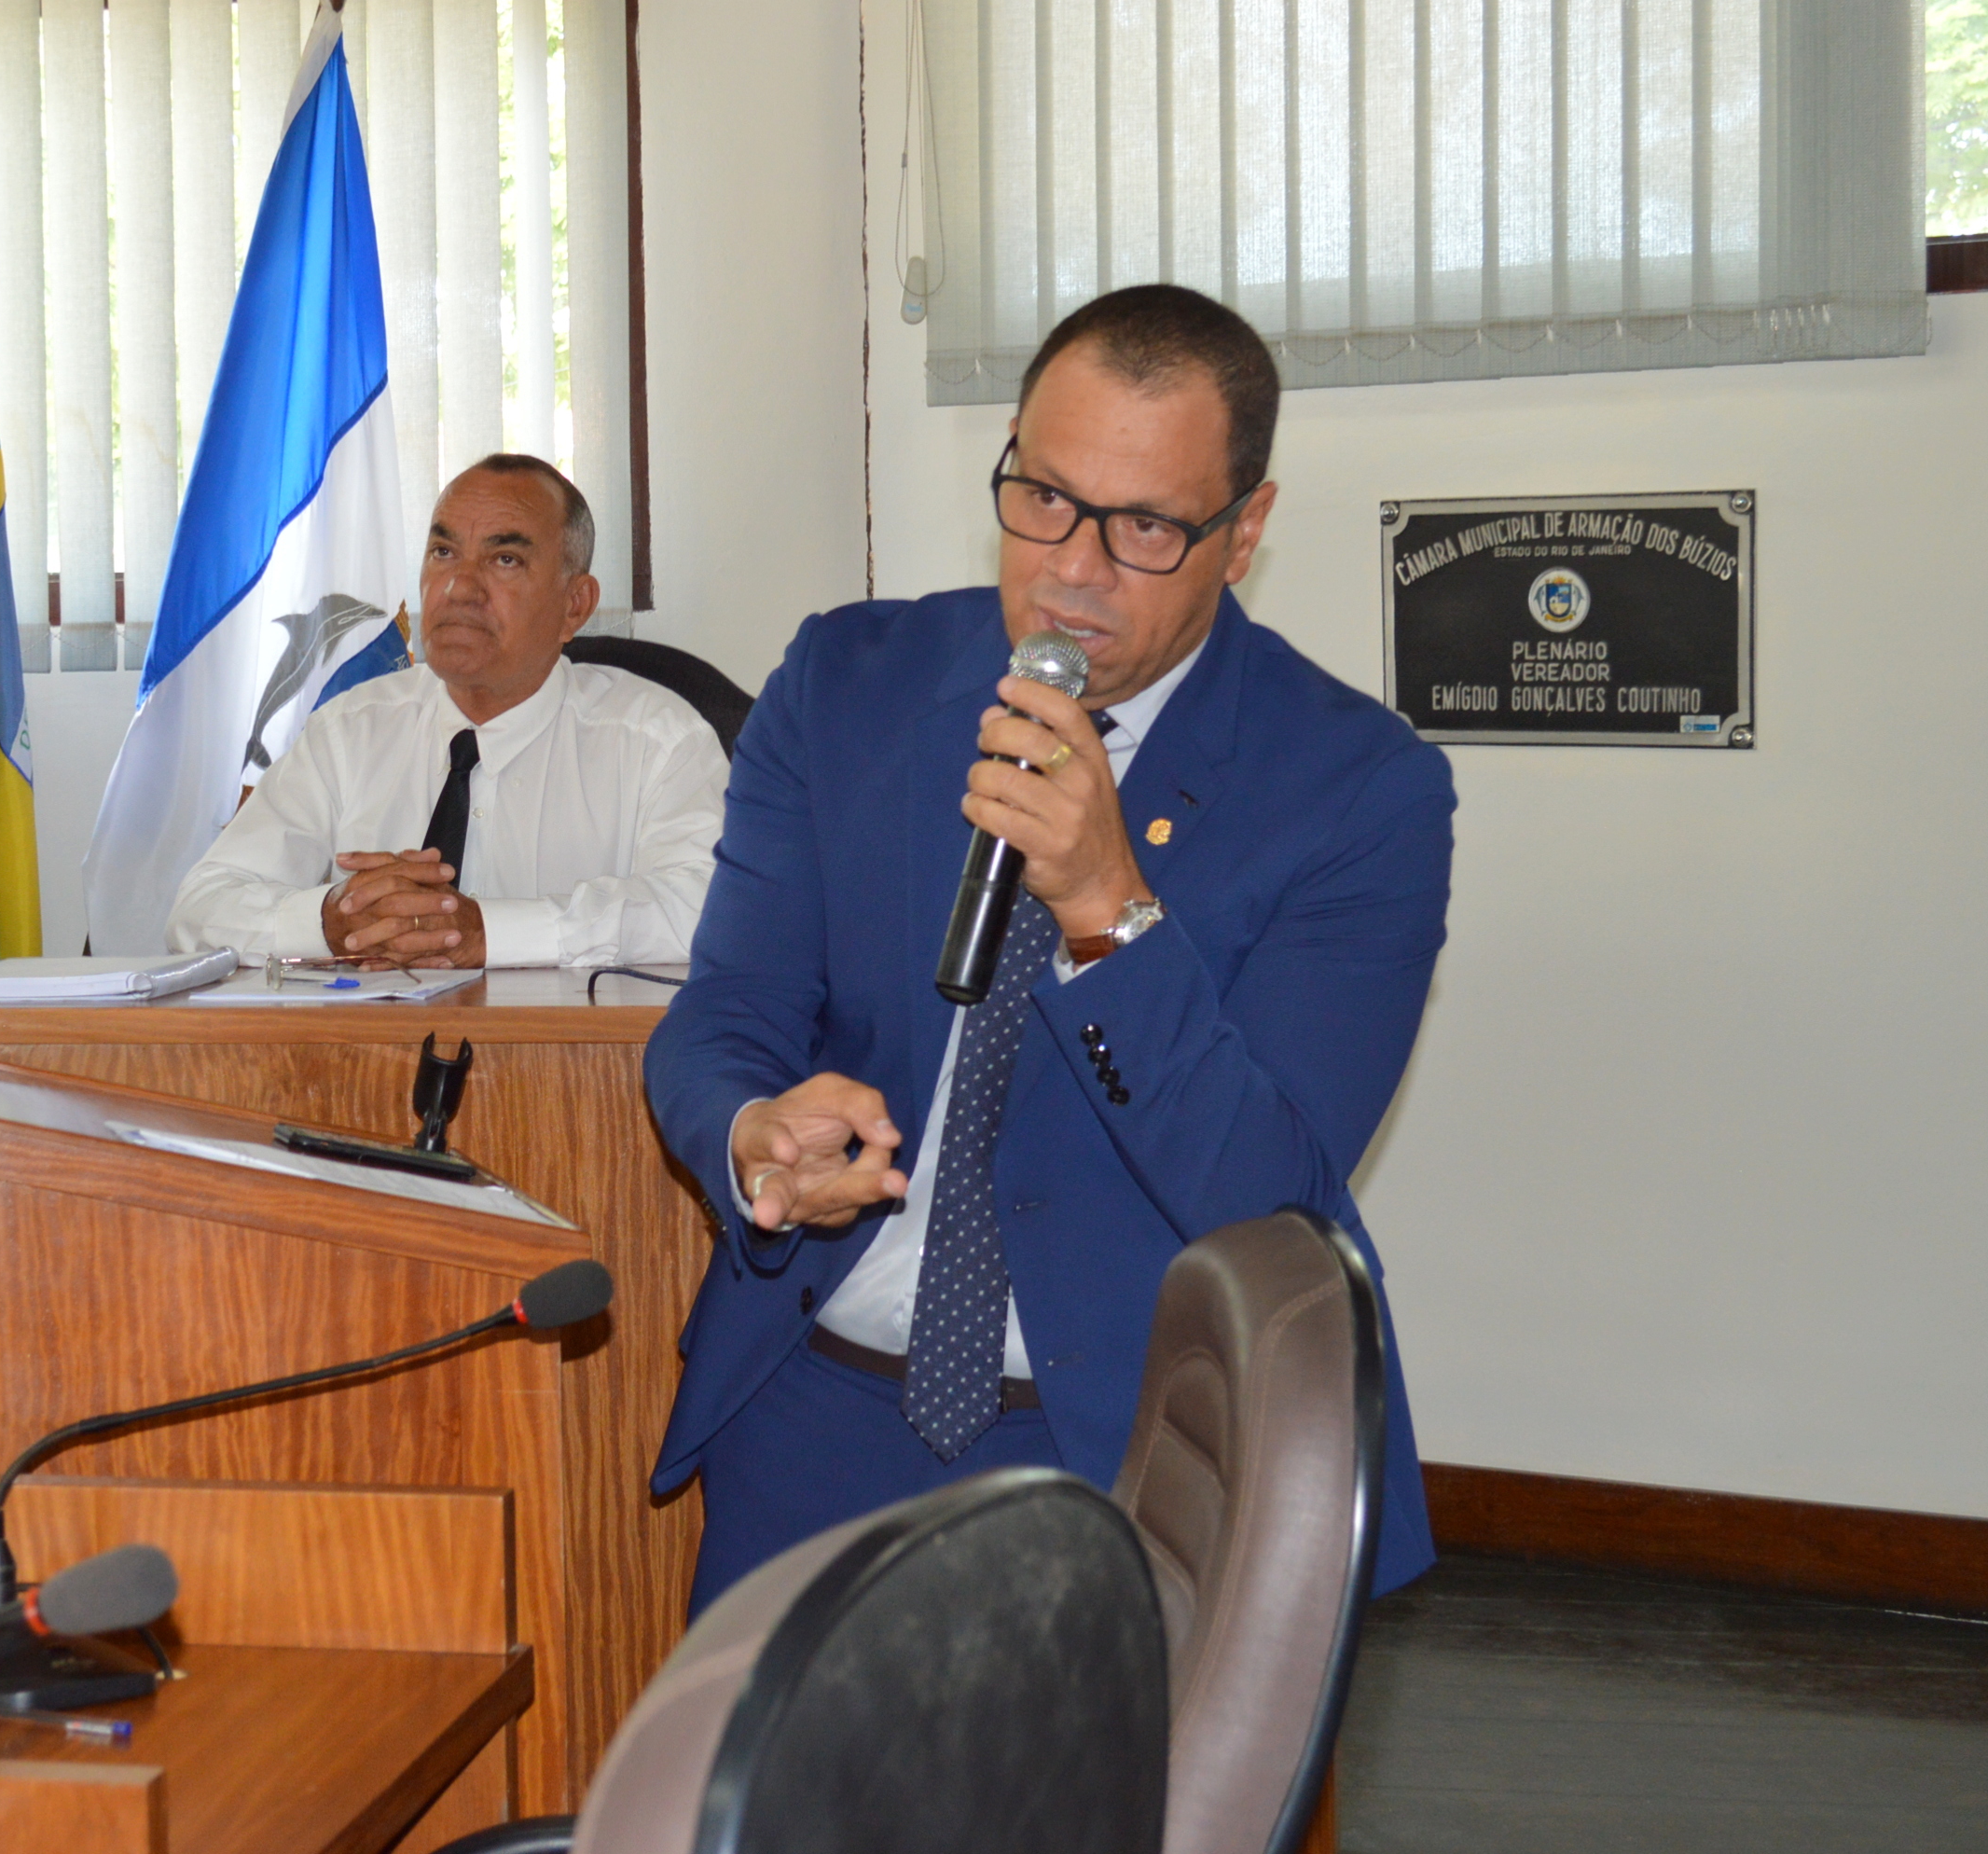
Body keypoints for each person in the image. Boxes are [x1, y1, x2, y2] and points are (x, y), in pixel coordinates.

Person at [645, 284, 1454, 1611]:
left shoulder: (1359, 788)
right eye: (1042, 497)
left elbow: (1272, 1200)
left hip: (1143, 1455)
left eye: (1144, 526)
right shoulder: (847, 682)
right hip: (812, 1414)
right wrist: (750, 1132)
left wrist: (1107, 911)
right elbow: (726, 1008)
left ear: (1243, 532)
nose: (1074, 568)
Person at [166, 454, 728, 969]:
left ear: (574, 605)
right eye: (443, 553)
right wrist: (333, 921)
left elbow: (712, 908)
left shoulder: (658, 740)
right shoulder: (349, 729)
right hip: (366, 1045)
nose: (459, 588)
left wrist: (490, 932)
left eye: (505, 560)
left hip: (565, 1046)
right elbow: (201, 907)